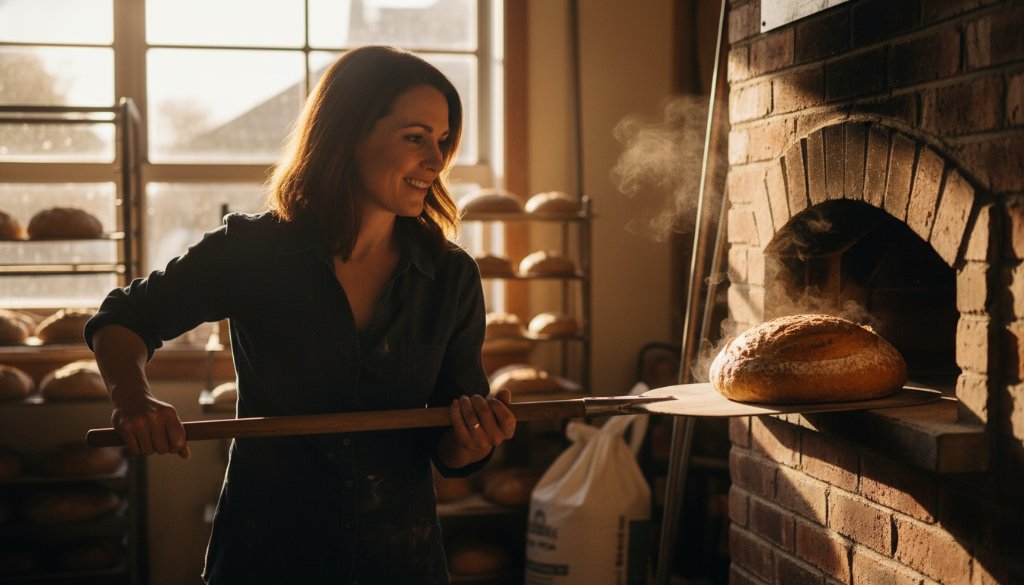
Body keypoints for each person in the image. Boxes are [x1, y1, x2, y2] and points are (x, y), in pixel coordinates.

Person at [85, 46, 516, 584]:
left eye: (442, 140)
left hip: (398, 562)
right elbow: (124, 318)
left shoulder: (450, 277)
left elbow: (450, 443)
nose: (436, 160)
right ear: (348, 132)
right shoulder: (254, 251)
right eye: (415, 137)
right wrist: (133, 399)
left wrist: (472, 438)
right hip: (267, 556)